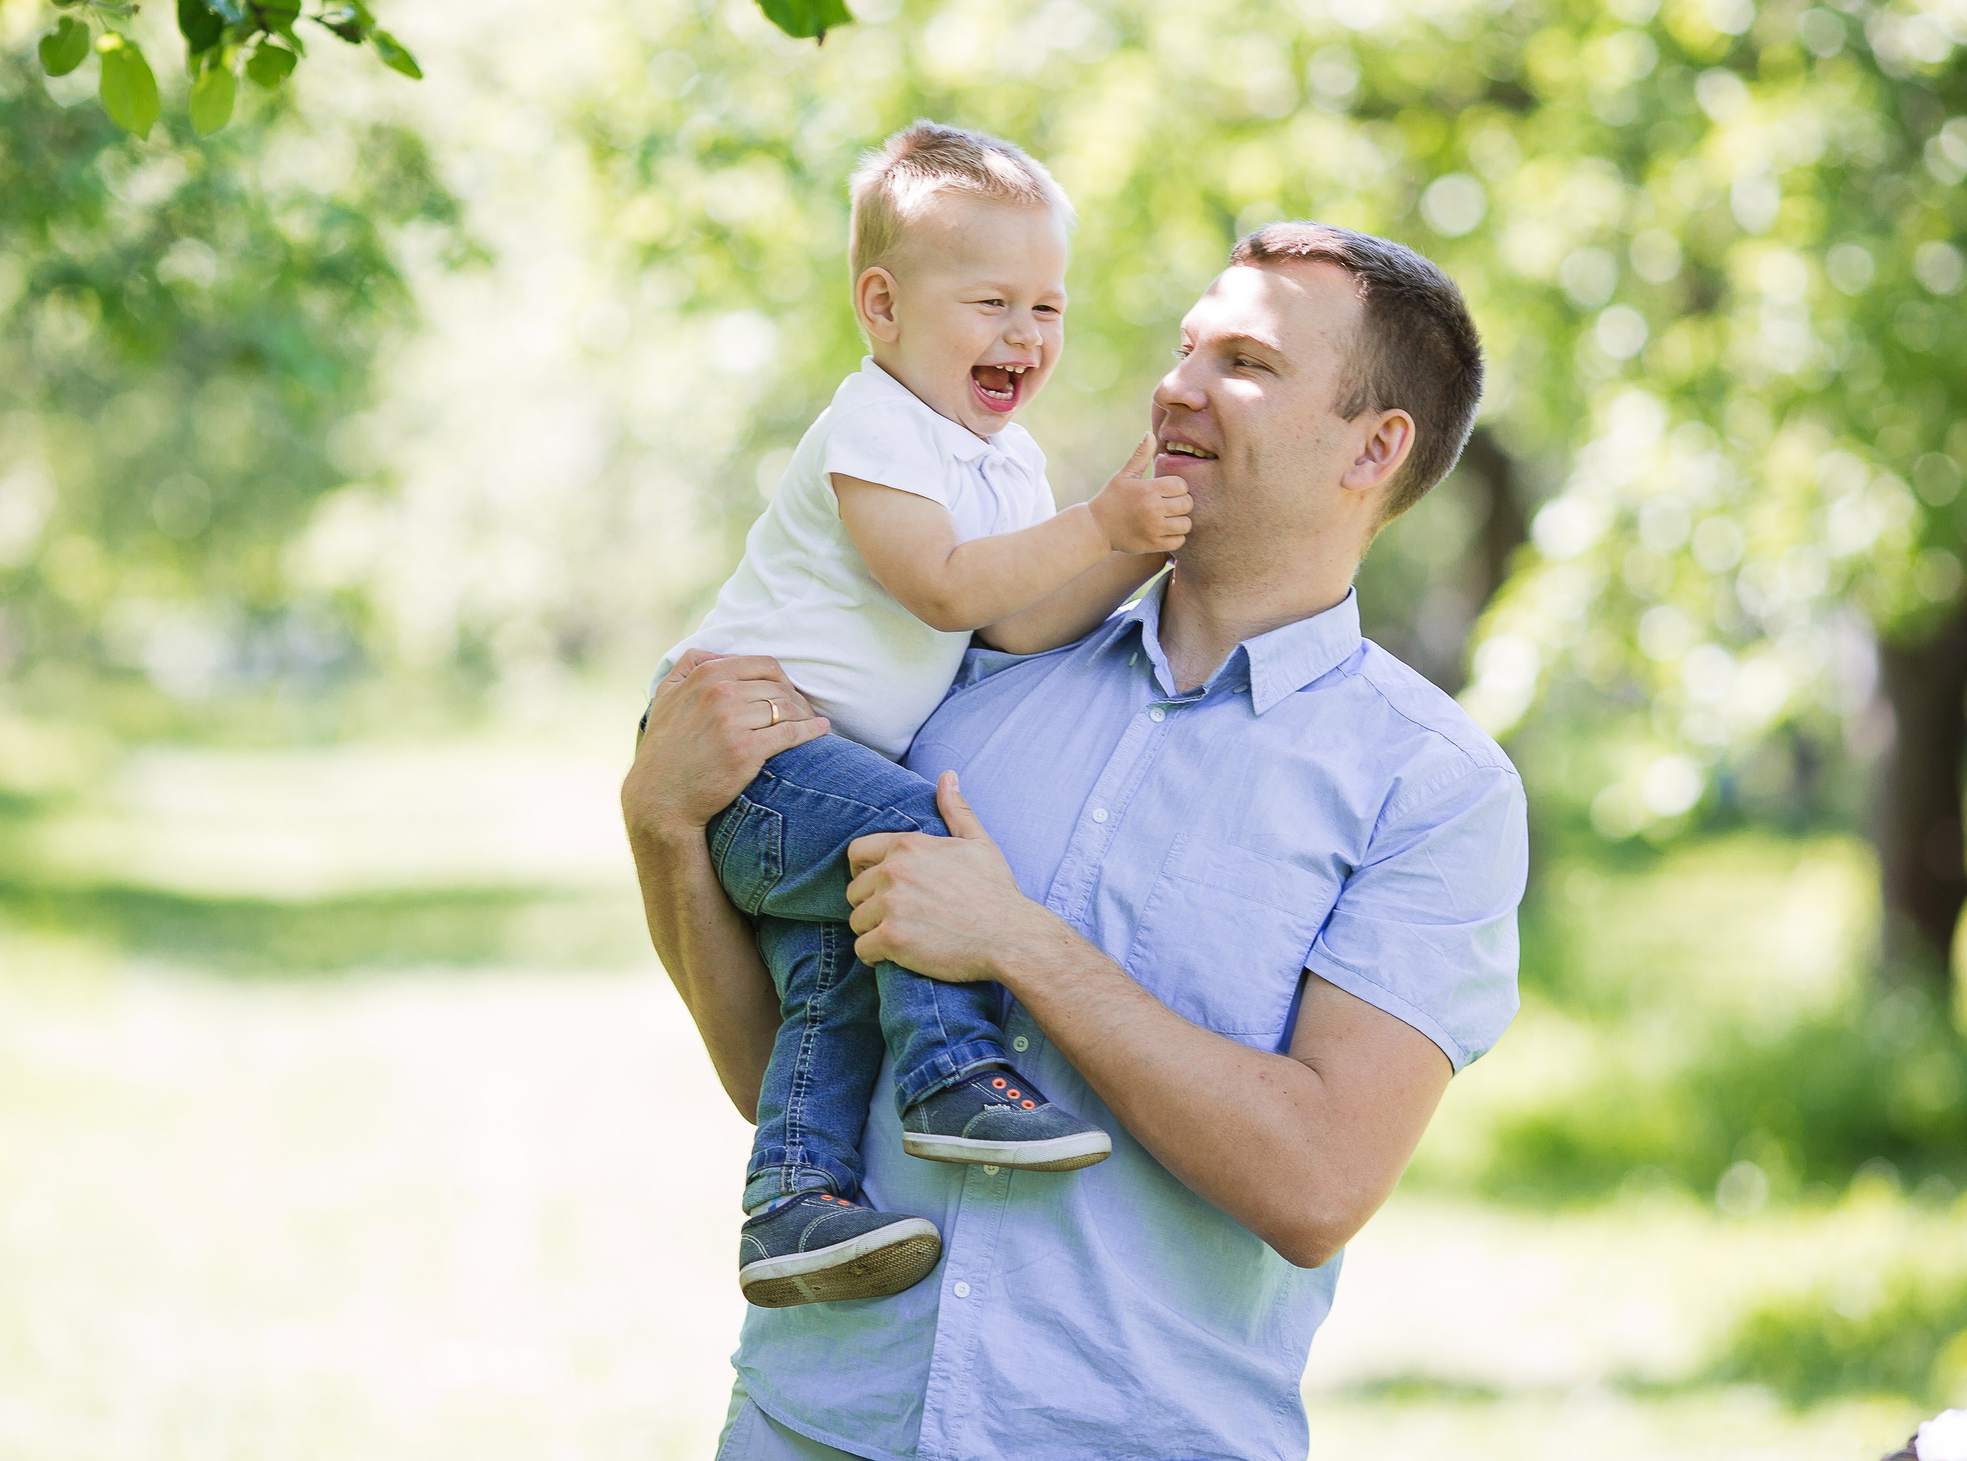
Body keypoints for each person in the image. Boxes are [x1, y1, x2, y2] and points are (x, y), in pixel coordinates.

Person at [627, 221, 1529, 1461]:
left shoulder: (1429, 788)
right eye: (1184, 347)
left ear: (1374, 448)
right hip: (815, 1428)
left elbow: (1319, 1185)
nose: (1177, 387)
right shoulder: (961, 675)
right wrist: (664, 828)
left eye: (1246, 365)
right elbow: (786, 1071)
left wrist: (1016, 944)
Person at [651, 122, 1195, 1310]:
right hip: (748, 759)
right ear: (883, 307)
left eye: (1048, 309)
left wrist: (1131, 560)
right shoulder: (874, 428)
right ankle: (953, 1077)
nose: (1024, 335)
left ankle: (793, 1201)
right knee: (917, 837)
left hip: (809, 776)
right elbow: (942, 584)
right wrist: (1102, 525)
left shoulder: (1009, 463)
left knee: (834, 979)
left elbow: (1009, 625)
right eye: (991, 301)